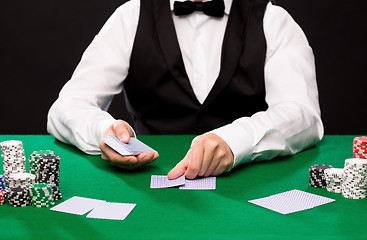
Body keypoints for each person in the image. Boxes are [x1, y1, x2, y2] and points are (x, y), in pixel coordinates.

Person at [47, 0, 324, 180]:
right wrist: (103, 133)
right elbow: (67, 106)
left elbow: (303, 114)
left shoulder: (273, 20)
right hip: (150, 187)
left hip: (248, 192)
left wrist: (236, 141)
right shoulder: (130, 16)